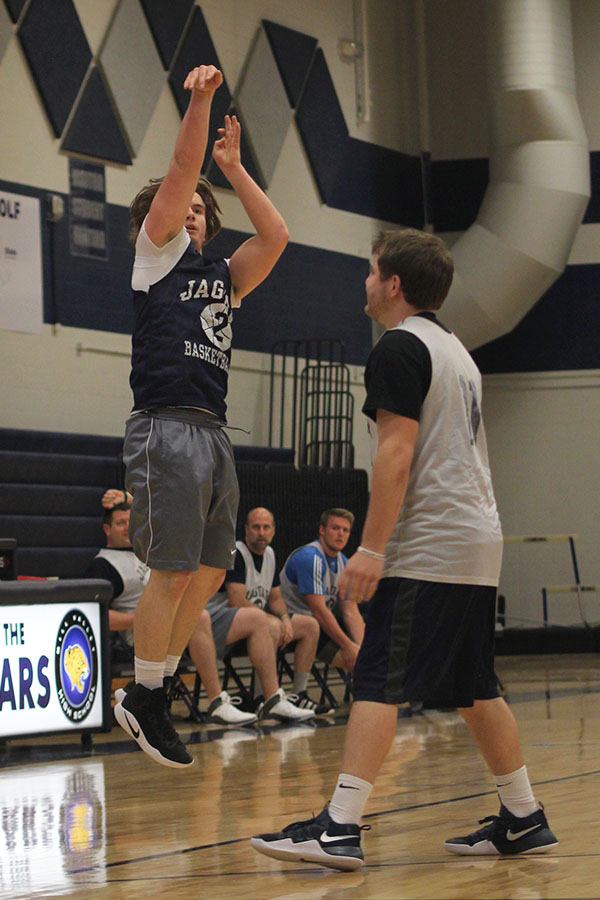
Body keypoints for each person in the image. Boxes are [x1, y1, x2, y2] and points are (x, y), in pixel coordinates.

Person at [251, 228, 557, 869]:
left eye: (370, 272)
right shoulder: (457, 352)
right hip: (477, 541)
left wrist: (371, 548)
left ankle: (339, 825)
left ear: (393, 284)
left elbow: (395, 455)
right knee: (474, 685)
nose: (364, 283)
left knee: (378, 678)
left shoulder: (398, 346)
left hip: (431, 545)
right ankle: (524, 814)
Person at [113, 64, 288, 768]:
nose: (186, 210)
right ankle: (144, 691)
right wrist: (202, 101)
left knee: (213, 573)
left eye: (196, 208)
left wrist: (235, 168)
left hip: (213, 432)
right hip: (166, 424)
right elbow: (180, 168)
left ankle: (153, 689)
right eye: (176, 205)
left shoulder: (224, 276)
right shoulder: (156, 258)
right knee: (175, 569)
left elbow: (275, 236)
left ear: (211, 224)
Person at [84, 490, 257, 727]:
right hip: (139, 636)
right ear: (107, 529)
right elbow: (96, 616)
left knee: (238, 618)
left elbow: (162, 515)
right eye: (119, 523)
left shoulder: (148, 552)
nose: (126, 527)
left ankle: (266, 698)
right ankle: (215, 701)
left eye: (129, 522)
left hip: (174, 623)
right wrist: (139, 618)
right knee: (199, 618)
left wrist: (131, 497)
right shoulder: (103, 565)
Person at [190, 507, 323, 717]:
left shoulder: (270, 554)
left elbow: (276, 598)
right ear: (246, 529)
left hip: (255, 623)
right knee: (262, 620)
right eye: (256, 527)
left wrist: (286, 619)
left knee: (309, 625)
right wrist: (272, 619)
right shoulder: (236, 553)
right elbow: (237, 601)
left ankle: (299, 693)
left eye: (266, 527)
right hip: (221, 620)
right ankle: (265, 699)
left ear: (273, 531)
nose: (261, 532)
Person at [279, 509, 364, 674]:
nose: (340, 534)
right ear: (322, 530)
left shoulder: (344, 564)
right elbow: (319, 611)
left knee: (367, 655)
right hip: (292, 623)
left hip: (320, 625)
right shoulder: (310, 558)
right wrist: (347, 646)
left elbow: (350, 611)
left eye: (345, 530)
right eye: (335, 528)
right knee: (358, 662)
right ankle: (300, 694)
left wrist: (362, 648)